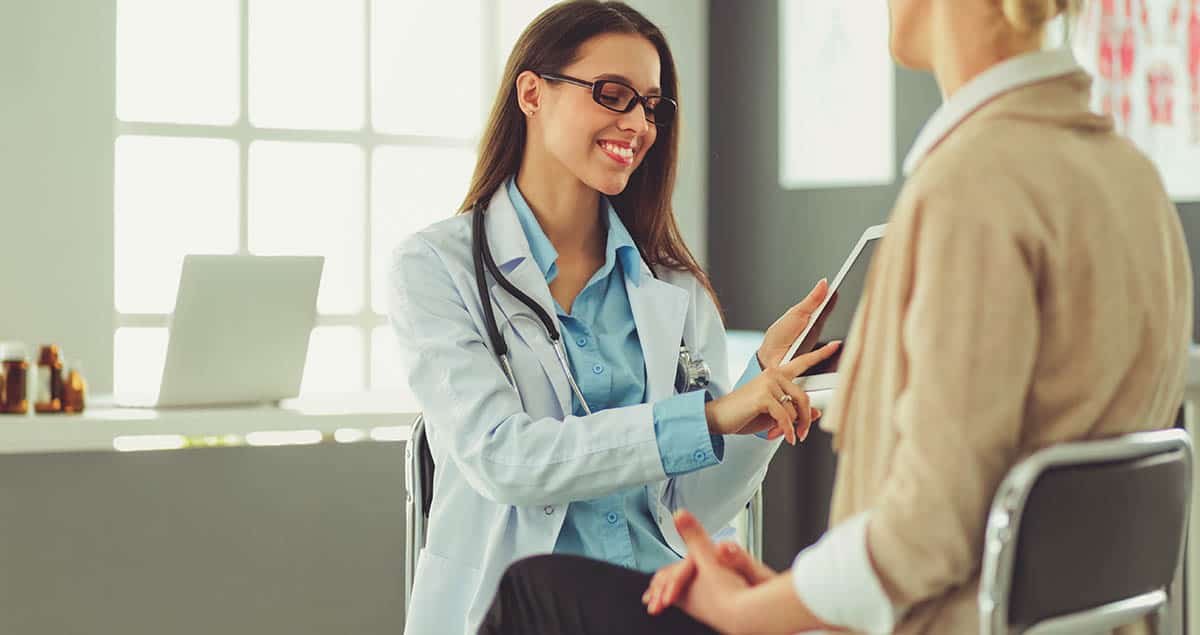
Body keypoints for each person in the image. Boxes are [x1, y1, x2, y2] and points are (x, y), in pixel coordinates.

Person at [477, 0, 1194, 633]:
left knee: (531, 594)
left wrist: (761, 612)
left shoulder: (972, 187)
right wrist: (798, 597)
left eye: (648, 104)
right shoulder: (1129, 176)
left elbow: (929, 529)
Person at [387, 2, 839, 633]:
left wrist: (760, 384)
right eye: (612, 94)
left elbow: (694, 508)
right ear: (532, 93)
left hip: (657, 603)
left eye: (650, 105)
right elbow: (505, 459)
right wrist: (710, 417)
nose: (638, 124)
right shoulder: (437, 267)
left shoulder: (673, 285)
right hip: (524, 613)